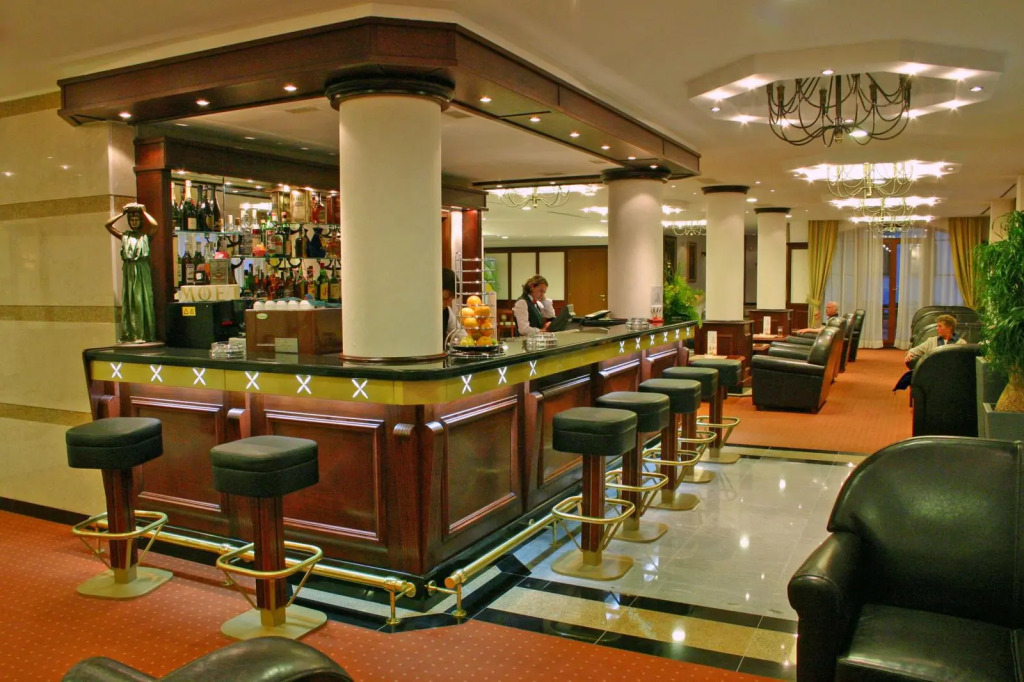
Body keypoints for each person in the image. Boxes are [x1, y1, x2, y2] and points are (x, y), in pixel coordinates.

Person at [105, 203, 158, 343]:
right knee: (130, 300)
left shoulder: (145, 237)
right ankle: (131, 333)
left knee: (142, 299)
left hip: (142, 270)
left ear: (141, 221)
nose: (134, 222)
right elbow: (108, 225)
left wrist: (144, 212)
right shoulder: (125, 236)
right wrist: (122, 214)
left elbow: (155, 225)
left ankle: (143, 333)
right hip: (129, 270)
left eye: (136, 220)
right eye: (132, 220)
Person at [441, 268, 465, 345]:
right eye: (444, 299)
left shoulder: (446, 311)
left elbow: (462, 336)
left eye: (451, 299)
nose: (448, 303)